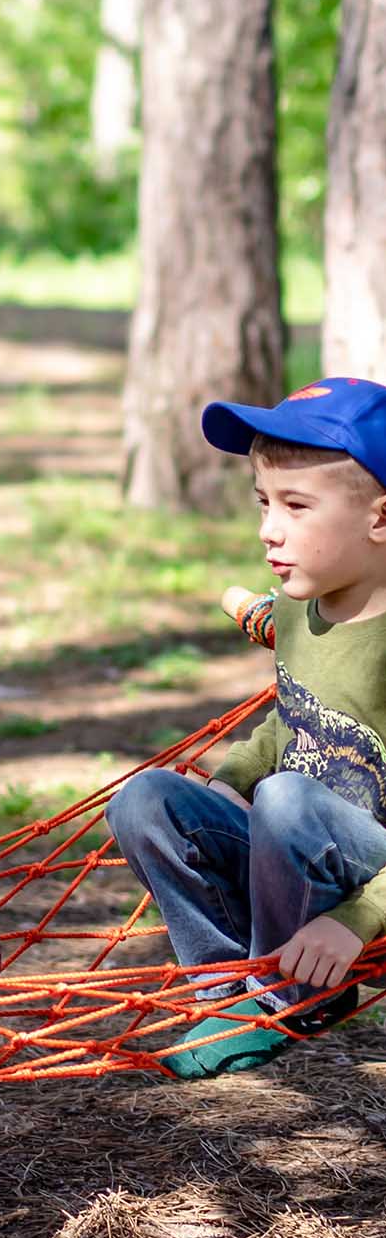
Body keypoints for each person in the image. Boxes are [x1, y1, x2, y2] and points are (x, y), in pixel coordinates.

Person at [108, 377, 386, 1080]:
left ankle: (279, 998)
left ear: (380, 520)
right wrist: (232, 783)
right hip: (289, 850)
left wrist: (353, 921)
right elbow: (291, 718)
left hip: (369, 883)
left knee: (287, 797)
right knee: (144, 799)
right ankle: (227, 985)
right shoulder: (301, 610)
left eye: (296, 506)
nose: (269, 529)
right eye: (264, 502)